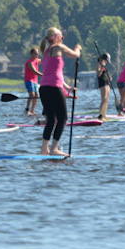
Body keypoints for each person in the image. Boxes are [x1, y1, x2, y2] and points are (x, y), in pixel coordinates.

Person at [37, 26, 80, 156]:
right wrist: (78, 48)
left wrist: (67, 87)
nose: (62, 38)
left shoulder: (45, 53)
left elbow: (54, 73)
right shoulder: (58, 47)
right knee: (62, 119)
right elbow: (75, 55)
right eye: (61, 36)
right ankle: (54, 149)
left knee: (50, 120)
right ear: (55, 38)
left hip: (43, 88)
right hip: (54, 88)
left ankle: (44, 150)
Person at [23, 48, 42, 117]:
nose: (37, 55)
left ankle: (32, 111)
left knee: (36, 95)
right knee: (32, 94)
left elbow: (44, 60)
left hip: (35, 81)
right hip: (29, 80)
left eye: (37, 54)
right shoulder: (29, 63)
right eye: (35, 53)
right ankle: (27, 110)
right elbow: (34, 71)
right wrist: (44, 75)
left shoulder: (37, 60)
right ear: (31, 54)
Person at [95, 53, 112, 121]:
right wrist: (102, 68)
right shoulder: (99, 64)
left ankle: (104, 114)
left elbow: (105, 73)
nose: (106, 62)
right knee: (103, 99)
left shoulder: (104, 64)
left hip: (107, 82)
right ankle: (101, 114)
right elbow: (99, 74)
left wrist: (109, 77)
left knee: (106, 100)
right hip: (102, 83)